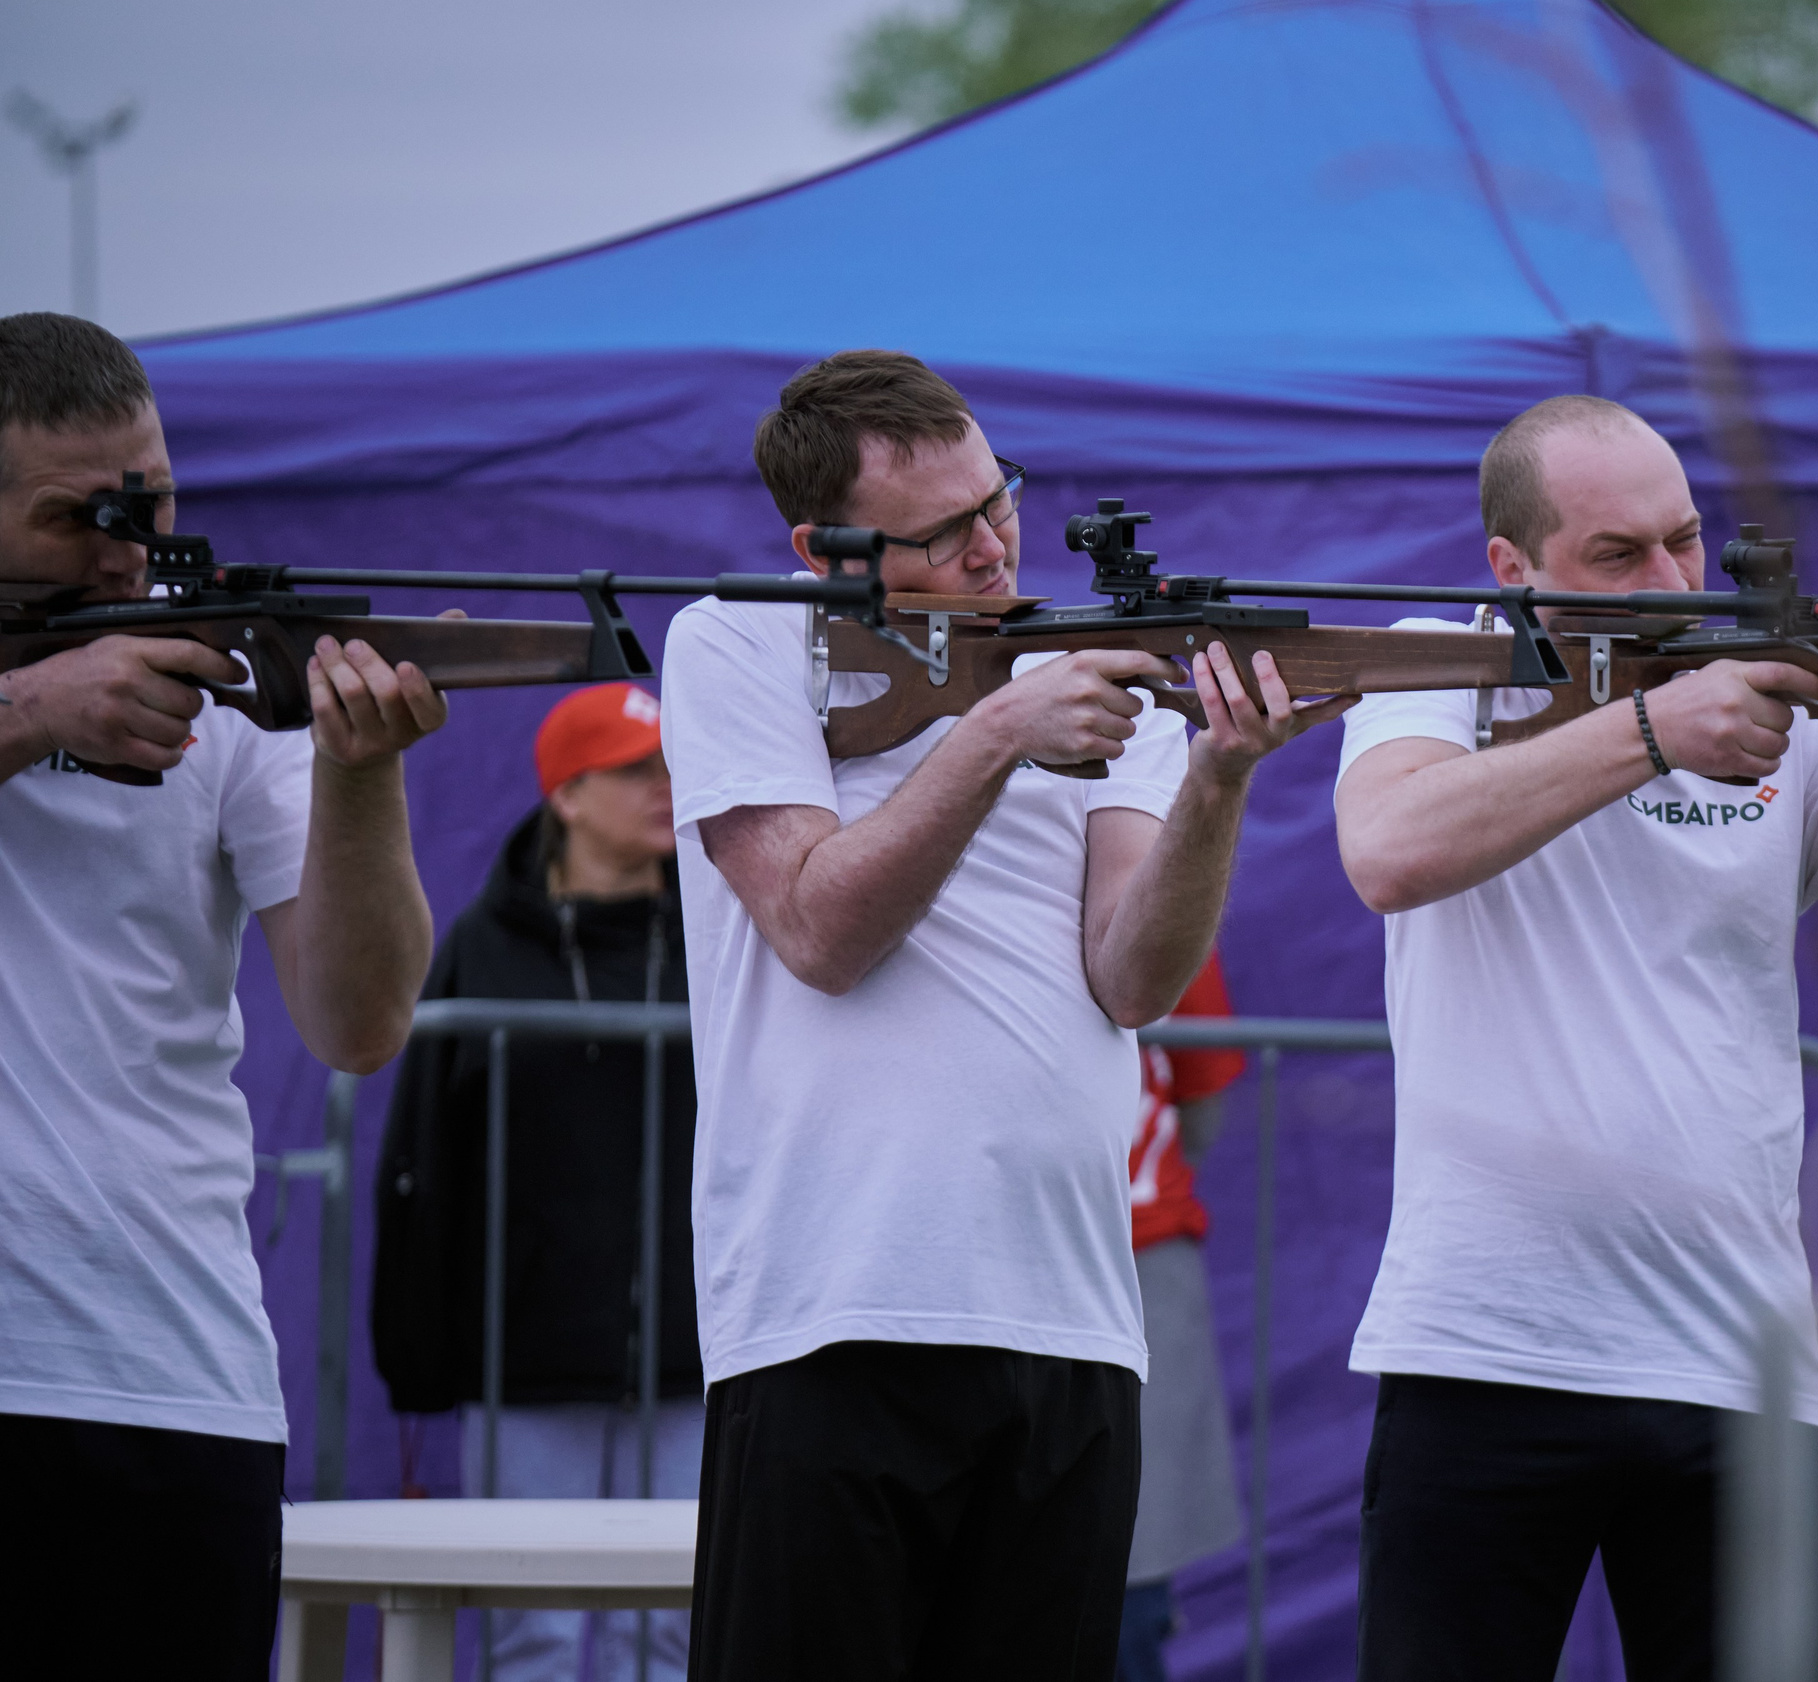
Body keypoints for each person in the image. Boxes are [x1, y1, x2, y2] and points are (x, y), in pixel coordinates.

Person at [1328, 395, 1818, 1681]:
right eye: (1618, 555)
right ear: (1511, 567)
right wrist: (1653, 729)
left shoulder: (1783, 716)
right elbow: (1389, 850)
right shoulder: (1440, 659)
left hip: (1734, 1367)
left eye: (1686, 540)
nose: (1670, 580)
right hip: (1483, 1345)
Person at [663, 349, 1346, 1680]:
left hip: (1073, 1318)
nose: (994, 548)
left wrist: (1214, 778)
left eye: (1000, 500)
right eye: (943, 530)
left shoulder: (1093, 679)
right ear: (825, 546)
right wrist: (993, 734)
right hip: (833, 1304)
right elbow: (818, 929)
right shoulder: (739, 636)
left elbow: (1132, 976)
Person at [0, 311, 447, 1679]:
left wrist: (359, 773)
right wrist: (35, 712)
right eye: (78, 517)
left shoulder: (218, 688)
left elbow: (357, 1022)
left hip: (167, 1371)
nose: (129, 551)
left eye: (153, 499)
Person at [372, 681, 699, 1680]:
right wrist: (424, 1350)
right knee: (535, 1633)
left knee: (674, 1626)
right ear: (566, 791)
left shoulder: (721, 932)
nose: (665, 789)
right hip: (529, 1353)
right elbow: (422, 1154)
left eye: (672, 766)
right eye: (635, 769)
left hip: (696, 1352)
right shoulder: (483, 940)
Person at [1120, 954, 1250, 1682]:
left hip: (1139, 1261)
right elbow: (1201, 1106)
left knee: (1127, 1584)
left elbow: (1203, 1094)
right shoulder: (1148, 854)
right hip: (1138, 1250)